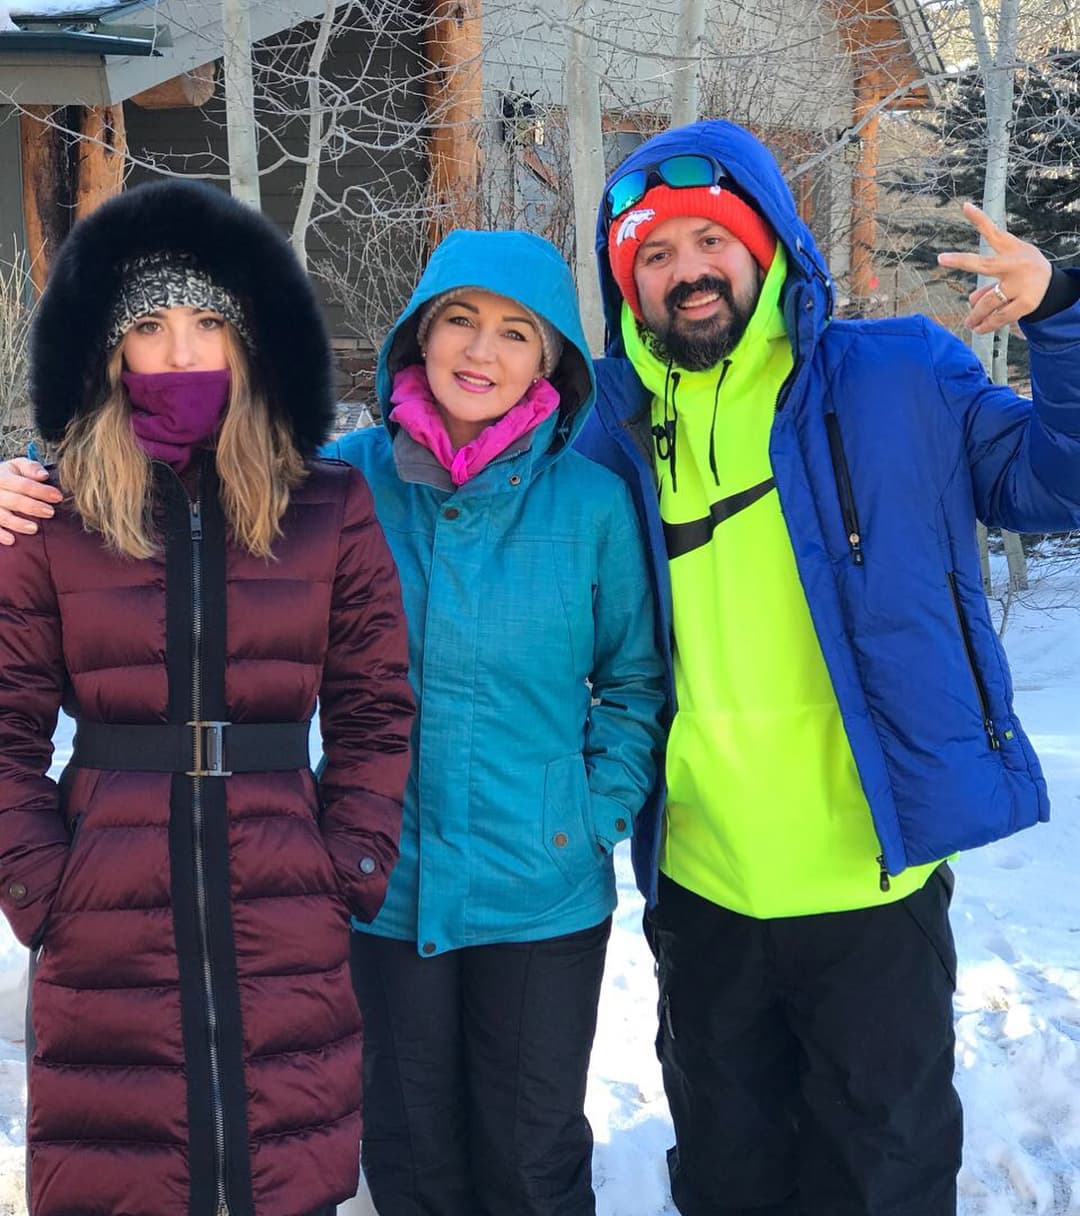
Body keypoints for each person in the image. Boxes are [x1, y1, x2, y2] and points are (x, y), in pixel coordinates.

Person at [569, 119, 1080, 1216]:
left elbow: (1057, 481)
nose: (685, 271)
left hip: (868, 885)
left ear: (767, 244)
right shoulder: (611, 441)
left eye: (708, 238)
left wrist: (1063, 314)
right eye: (652, 255)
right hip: (704, 889)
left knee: (882, 1179)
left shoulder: (896, 376)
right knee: (726, 1177)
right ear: (625, 287)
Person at [0, 179, 414, 1216]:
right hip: (104, 903)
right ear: (110, 348)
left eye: (207, 322)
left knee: (282, 1175)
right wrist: (42, 883)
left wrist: (348, 860)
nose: (180, 351)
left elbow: (374, 703)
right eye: (149, 324)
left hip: (285, 892)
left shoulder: (329, 503)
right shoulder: (52, 511)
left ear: (249, 340)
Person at [320, 228, 666, 1215]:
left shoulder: (594, 503)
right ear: (419, 337)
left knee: (529, 1154)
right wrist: (40, 481)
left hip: (542, 888)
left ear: (549, 361)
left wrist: (592, 809)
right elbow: (195, 509)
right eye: (461, 321)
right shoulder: (344, 484)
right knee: (410, 1150)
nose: (483, 351)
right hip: (382, 885)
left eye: (518, 332)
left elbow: (635, 681)